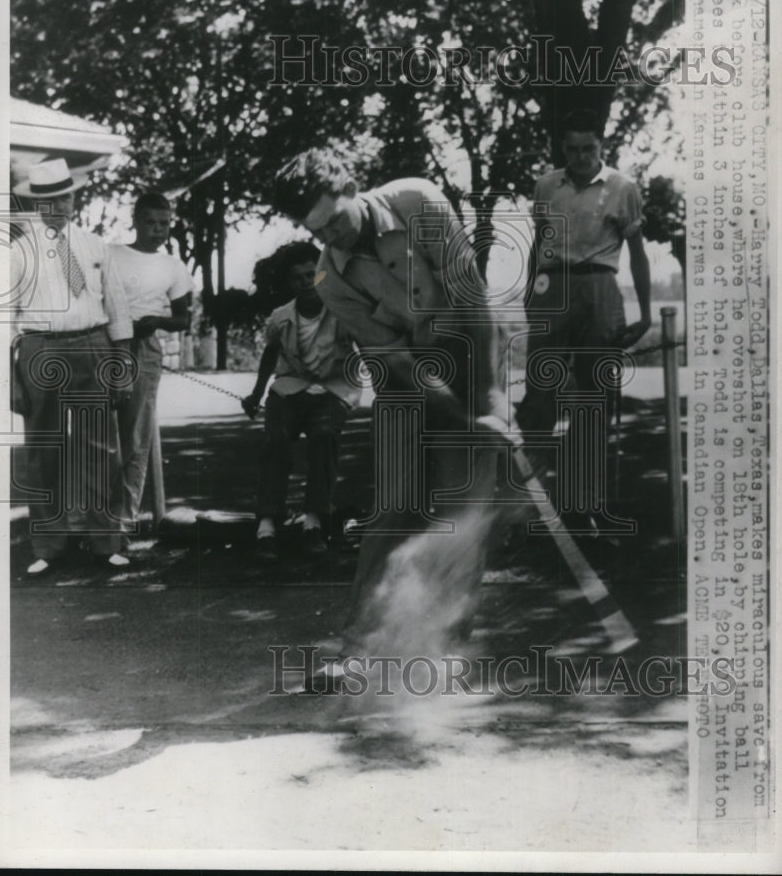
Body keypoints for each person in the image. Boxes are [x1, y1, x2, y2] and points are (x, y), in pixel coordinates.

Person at [270, 150, 507, 659]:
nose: (330, 238)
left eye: (334, 221)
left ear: (352, 186)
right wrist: (453, 411)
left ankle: (444, 651)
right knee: (394, 508)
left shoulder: (417, 200)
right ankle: (359, 650)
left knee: (459, 510)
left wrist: (487, 400)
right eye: (317, 232)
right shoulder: (329, 281)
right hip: (406, 377)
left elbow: (474, 300)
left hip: (469, 349)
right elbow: (396, 359)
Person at [517, 108, 652, 531]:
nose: (580, 156)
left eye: (588, 148)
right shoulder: (545, 186)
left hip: (599, 288)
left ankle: (581, 503)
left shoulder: (621, 187)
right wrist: (527, 298)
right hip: (551, 288)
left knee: (594, 399)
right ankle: (521, 502)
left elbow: (638, 254)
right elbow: (538, 247)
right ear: (562, 149)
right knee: (539, 395)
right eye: (572, 149)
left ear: (601, 146)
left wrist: (646, 313)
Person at [10, 159, 134, 576]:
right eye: (47, 200)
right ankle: (48, 546)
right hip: (40, 348)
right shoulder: (16, 251)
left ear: (74, 197)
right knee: (43, 449)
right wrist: (10, 379)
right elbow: (5, 319)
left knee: (100, 448)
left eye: (63, 196)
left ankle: (106, 544)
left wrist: (122, 362)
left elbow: (116, 308)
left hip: (92, 344)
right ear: (35, 203)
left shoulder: (97, 246)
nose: (57, 205)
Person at [241, 242, 360, 561]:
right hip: (290, 388)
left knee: (323, 436)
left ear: (323, 274)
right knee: (276, 439)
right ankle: (267, 524)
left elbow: (369, 346)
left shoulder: (344, 311)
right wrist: (255, 394)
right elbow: (270, 354)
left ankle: (314, 521)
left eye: (312, 274)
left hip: (333, 389)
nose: (306, 282)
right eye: (297, 278)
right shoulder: (281, 317)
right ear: (289, 284)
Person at [109, 192, 193, 530]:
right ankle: (92, 522)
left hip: (144, 348)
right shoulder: (112, 254)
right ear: (135, 220)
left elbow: (183, 319)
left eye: (164, 224)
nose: (158, 230)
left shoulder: (173, 266)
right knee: (98, 435)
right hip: (106, 345)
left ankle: (123, 523)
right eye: (150, 222)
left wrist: (155, 322)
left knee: (136, 438)